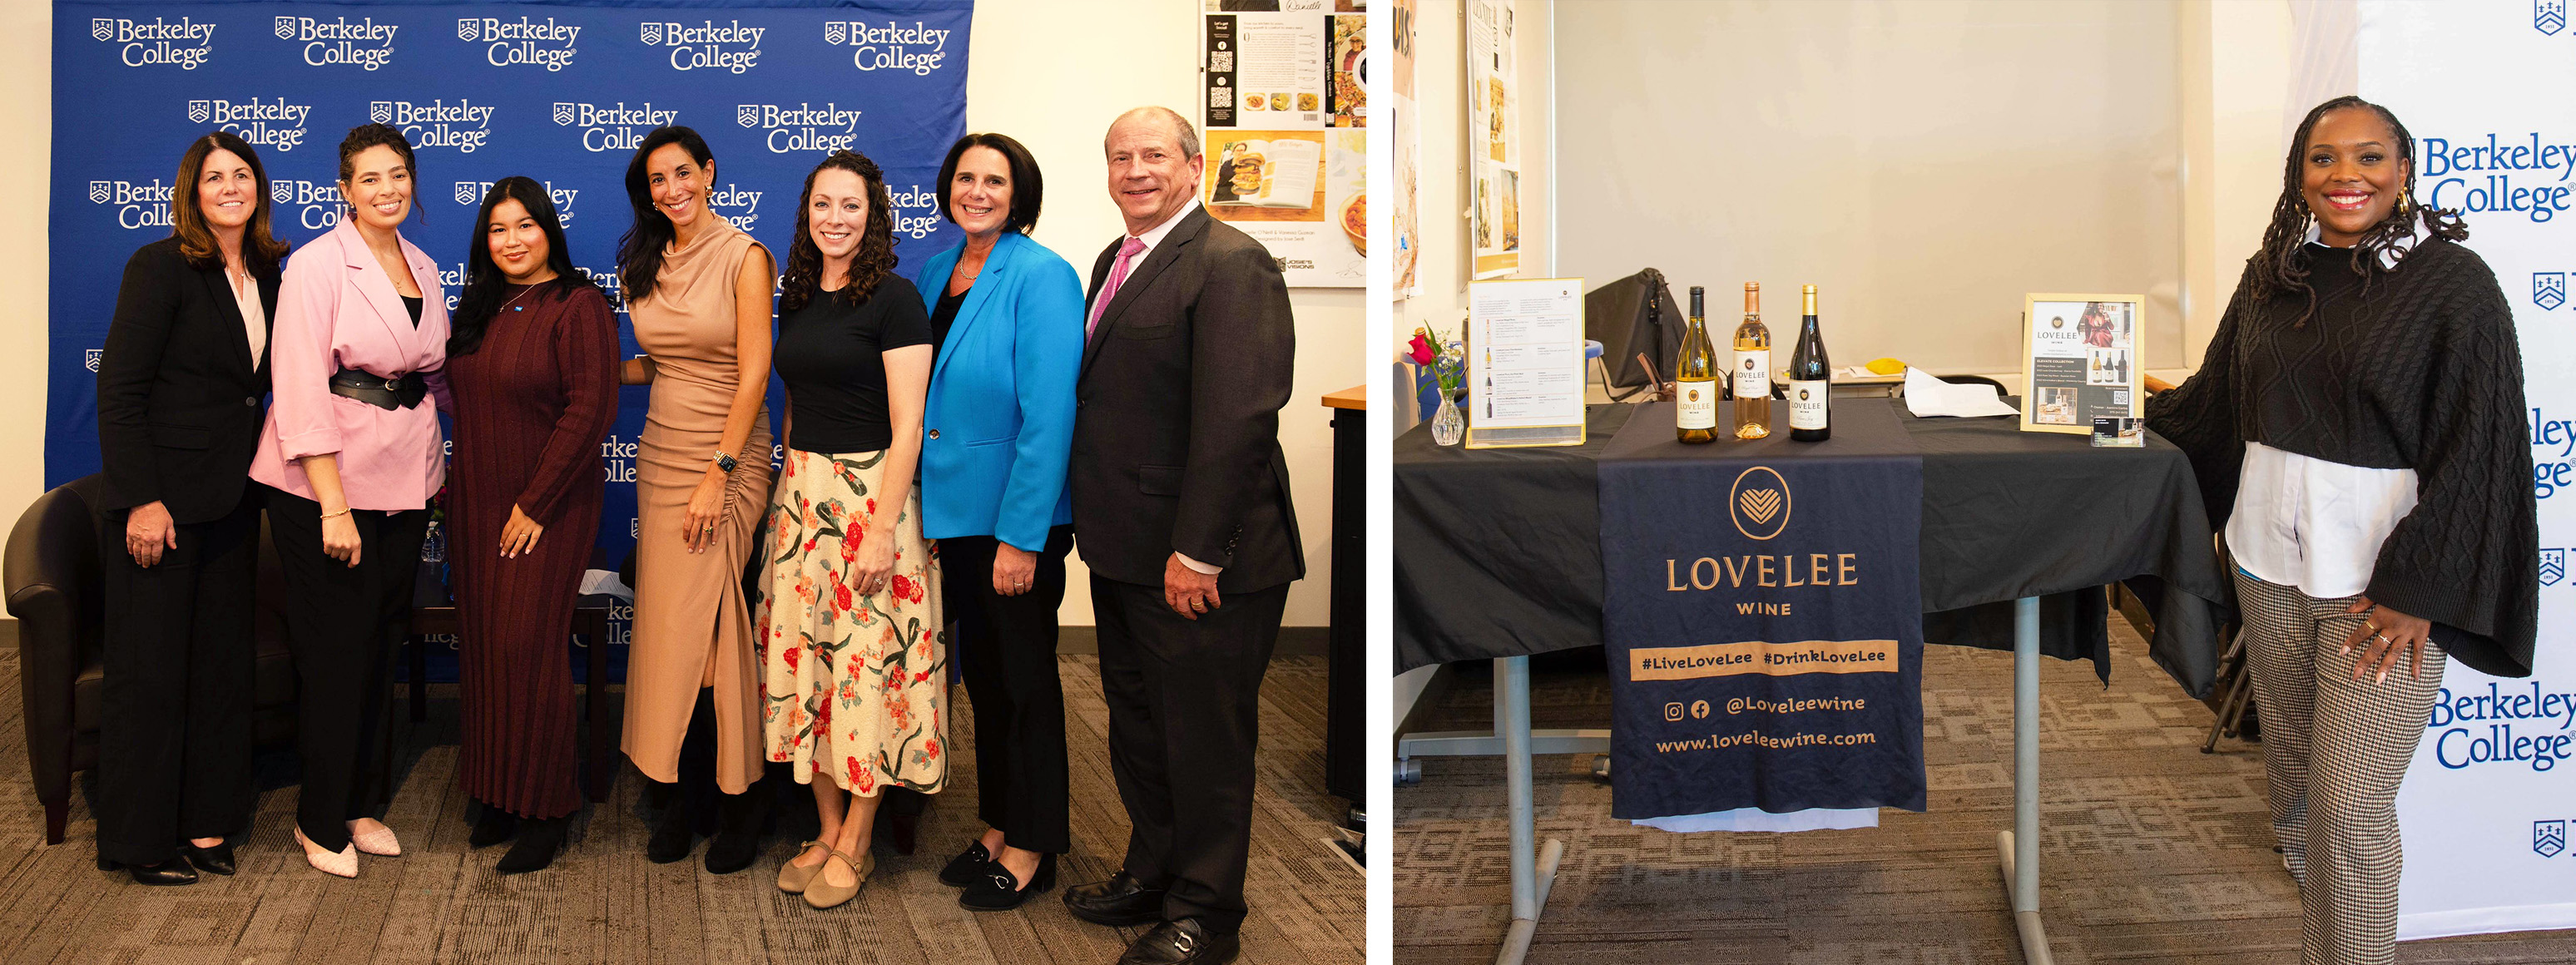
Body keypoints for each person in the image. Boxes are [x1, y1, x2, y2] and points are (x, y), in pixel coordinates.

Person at [2146, 95, 2537, 965]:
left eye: (2369, 157)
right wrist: (2104, 421)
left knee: (2350, 805)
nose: (2345, 176)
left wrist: (2419, 589)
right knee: (2292, 776)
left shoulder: (2451, 283)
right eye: (2324, 159)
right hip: (2268, 567)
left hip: (2381, 588)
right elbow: (2216, 399)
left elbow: (2483, 445)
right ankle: (2316, 914)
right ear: (2300, 173)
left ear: (2403, 169)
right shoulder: (2276, 270)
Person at [1059, 106, 1302, 965]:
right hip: (1125, 548)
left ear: (1195, 167)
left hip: (1201, 560)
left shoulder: (1234, 262)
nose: (1135, 170)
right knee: (1138, 727)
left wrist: (1198, 550)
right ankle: (1157, 873)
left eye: (1153, 155)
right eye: (1119, 155)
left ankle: (1209, 913)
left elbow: (1239, 418)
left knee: (1203, 738)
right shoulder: (1114, 260)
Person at [250, 123, 448, 878]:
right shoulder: (315, 264)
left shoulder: (425, 265)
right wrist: (332, 504)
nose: (387, 189)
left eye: (398, 175)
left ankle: (363, 803)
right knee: (334, 651)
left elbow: (431, 374)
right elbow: (298, 383)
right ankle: (316, 816)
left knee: (377, 645)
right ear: (345, 189)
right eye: (370, 178)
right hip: (323, 486)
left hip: (405, 480)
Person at [90, 131, 288, 886]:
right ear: (192, 190)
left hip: (234, 499)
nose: (231, 187)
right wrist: (142, 499)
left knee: (218, 668)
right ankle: (139, 840)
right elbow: (120, 392)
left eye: (243, 175)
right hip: (162, 506)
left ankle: (208, 825)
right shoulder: (160, 266)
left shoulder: (271, 270)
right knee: (151, 673)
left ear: (259, 188)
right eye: (215, 178)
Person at [754, 149, 945, 910]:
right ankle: (826, 827)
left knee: (867, 669)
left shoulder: (896, 300)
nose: (836, 219)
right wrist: (783, 501)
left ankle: (859, 839)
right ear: (807, 214)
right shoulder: (794, 295)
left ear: (874, 217)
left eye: (852, 207)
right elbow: (797, 403)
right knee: (811, 665)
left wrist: (881, 529)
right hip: (803, 496)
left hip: (872, 497)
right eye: (824, 205)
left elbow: (909, 426)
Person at [914, 132, 1083, 912]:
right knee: (983, 679)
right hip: (953, 516)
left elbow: (1050, 415)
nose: (976, 191)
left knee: (1025, 682)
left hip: (1015, 524)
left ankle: (1034, 844)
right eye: (965, 177)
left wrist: (1022, 536)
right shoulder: (935, 271)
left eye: (994, 180)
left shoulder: (1043, 276)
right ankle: (997, 823)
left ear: (1020, 194)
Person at [443, 176, 620, 874]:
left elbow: (590, 410)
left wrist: (536, 504)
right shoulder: (482, 308)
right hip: (476, 504)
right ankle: (497, 794)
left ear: (549, 229)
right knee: (484, 648)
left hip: (546, 509)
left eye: (525, 225)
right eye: (497, 229)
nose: (512, 240)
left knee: (528, 650)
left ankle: (547, 808)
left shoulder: (579, 305)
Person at [616, 126, 777, 874]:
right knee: (667, 632)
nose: (672, 189)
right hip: (660, 452)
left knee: (717, 632)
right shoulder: (642, 260)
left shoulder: (745, 257)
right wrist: (617, 370)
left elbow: (751, 373)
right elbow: (669, 354)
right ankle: (678, 795)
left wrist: (719, 471)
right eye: (657, 180)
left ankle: (738, 802)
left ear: (709, 174)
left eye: (684, 174)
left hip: (727, 457)